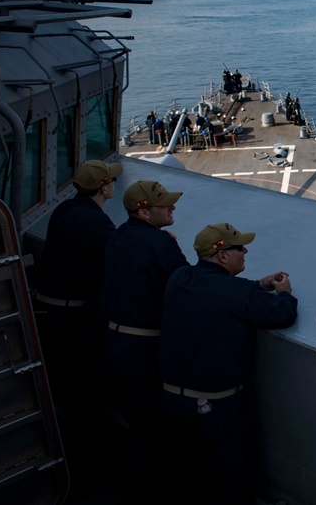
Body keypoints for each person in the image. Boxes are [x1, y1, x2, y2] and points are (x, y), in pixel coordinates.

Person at [159, 223, 297, 505]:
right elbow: (281, 315)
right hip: (218, 410)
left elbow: (216, 288)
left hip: (173, 402)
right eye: (239, 248)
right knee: (230, 480)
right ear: (222, 255)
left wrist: (256, 284)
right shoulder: (237, 294)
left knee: (188, 477)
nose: (245, 251)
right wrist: (284, 293)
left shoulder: (179, 278)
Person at [34, 159, 121, 483]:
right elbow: (116, 259)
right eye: (110, 181)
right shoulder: (98, 225)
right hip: (74, 321)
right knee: (86, 393)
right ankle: (86, 468)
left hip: (49, 314)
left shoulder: (63, 212)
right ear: (104, 187)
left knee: (65, 390)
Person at [103, 180, 188, 504]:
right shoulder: (160, 245)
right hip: (144, 351)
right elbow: (187, 289)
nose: (172, 206)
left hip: (115, 343)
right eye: (164, 203)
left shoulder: (118, 236)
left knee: (134, 422)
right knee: (152, 429)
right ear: (144, 210)